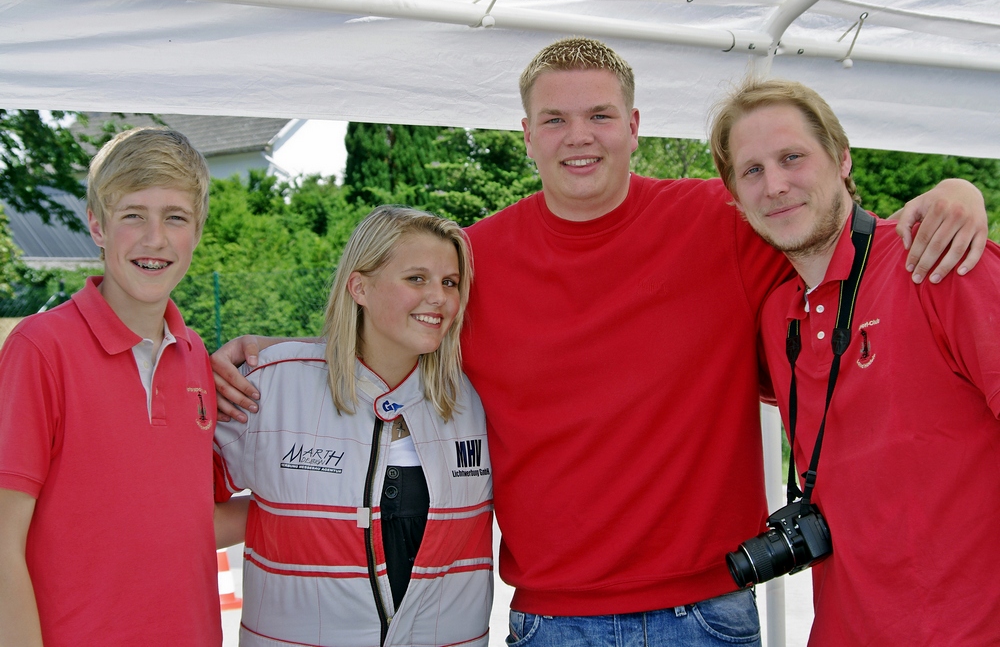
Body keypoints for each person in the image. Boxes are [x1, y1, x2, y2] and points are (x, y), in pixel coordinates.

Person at [213, 38, 988, 646]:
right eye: (554, 119)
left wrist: (954, 198)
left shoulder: (724, 224)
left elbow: (840, 242)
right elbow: (395, 321)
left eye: (599, 116)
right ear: (525, 136)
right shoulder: (475, 262)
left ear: (635, 127)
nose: (577, 137)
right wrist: (266, 350)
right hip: (555, 622)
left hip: (709, 615)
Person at [709, 78, 1000, 645]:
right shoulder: (778, 318)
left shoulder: (941, 262)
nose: (776, 185)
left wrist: (960, 187)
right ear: (737, 199)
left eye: (792, 157)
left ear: (842, 159)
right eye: (752, 171)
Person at [212, 205, 493, 647]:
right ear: (359, 286)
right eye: (416, 278)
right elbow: (181, 519)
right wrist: (279, 517)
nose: (439, 296)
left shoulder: (478, 398)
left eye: (450, 282)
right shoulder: (268, 387)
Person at [0, 128, 222, 646]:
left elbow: (191, 522)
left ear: (197, 230)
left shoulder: (196, 359)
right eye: (132, 216)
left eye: (175, 217)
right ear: (97, 226)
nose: (154, 238)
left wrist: (320, 498)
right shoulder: (40, 349)